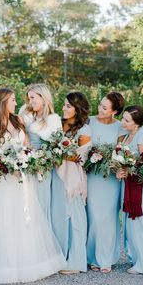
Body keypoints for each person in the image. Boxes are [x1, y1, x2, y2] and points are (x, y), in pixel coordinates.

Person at [0, 88, 66, 284]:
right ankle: (8, 266)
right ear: (2, 102)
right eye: (12, 100)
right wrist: (7, 163)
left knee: (27, 215)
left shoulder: (18, 120)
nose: (16, 103)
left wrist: (24, 159)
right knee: (7, 217)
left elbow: (27, 145)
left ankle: (31, 263)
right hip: (4, 179)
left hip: (23, 176)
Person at [51, 92, 92, 274]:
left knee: (75, 217)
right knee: (59, 216)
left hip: (73, 178)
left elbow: (81, 157)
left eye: (68, 106)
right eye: (64, 105)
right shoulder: (58, 124)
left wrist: (58, 153)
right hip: (57, 175)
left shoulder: (84, 130)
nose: (64, 108)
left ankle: (76, 262)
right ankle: (60, 258)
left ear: (78, 108)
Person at [86, 92, 126, 273]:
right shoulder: (89, 121)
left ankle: (106, 258)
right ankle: (92, 256)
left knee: (108, 217)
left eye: (104, 107)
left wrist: (115, 163)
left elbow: (120, 151)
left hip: (111, 179)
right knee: (93, 216)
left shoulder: (120, 126)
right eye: (100, 105)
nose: (99, 109)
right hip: (93, 176)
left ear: (115, 111)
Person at [19, 84, 62, 224]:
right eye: (28, 98)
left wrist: (34, 127)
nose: (29, 102)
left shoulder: (53, 118)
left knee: (41, 202)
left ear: (43, 98)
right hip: (24, 162)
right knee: (25, 203)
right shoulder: (26, 115)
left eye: (33, 98)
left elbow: (56, 143)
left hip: (43, 167)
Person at [117, 105, 143, 275]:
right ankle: (137, 258)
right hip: (128, 184)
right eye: (123, 118)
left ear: (136, 123)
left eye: (127, 120)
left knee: (140, 223)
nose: (122, 122)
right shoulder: (128, 135)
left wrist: (130, 170)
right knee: (131, 224)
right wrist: (120, 170)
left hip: (141, 188)